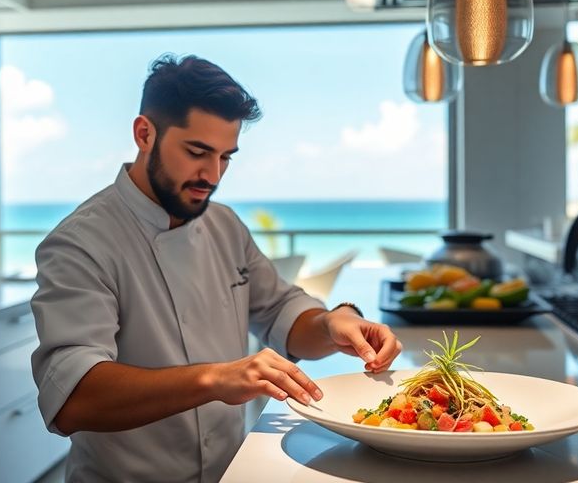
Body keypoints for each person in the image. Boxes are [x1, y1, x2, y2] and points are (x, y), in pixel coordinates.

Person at [30, 54, 403, 483]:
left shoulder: (223, 224)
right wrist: (216, 378)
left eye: (226, 157)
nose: (212, 174)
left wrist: (334, 322)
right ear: (144, 134)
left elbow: (281, 312)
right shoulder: (80, 243)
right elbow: (75, 398)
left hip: (231, 471)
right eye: (197, 152)